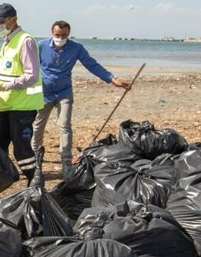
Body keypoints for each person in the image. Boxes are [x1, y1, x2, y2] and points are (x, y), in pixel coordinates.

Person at [34, 21, 132, 177]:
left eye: (64, 35)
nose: (60, 38)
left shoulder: (76, 48)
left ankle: (66, 163)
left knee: (64, 125)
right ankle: (35, 157)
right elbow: (29, 66)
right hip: (43, 93)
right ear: (52, 33)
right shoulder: (41, 46)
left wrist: (112, 79)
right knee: (38, 125)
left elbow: (92, 65)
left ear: (69, 34)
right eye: (57, 35)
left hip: (64, 92)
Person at [0, 3, 42, 185]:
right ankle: (0, 182)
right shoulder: (6, 43)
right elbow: (6, 72)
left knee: (21, 150)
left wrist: (4, 86)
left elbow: (31, 76)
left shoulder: (25, 41)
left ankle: (36, 183)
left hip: (22, 105)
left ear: (14, 19)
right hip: (4, 104)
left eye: (1, 22)